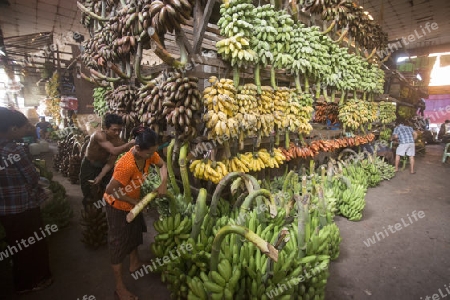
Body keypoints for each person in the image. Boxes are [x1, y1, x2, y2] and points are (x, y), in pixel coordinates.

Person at [103, 126, 168, 300]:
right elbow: (110, 191)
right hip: (117, 206)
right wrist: (133, 202)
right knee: (118, 245)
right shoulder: (125, 165)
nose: (152, 156)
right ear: (138, 149)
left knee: (134, 233)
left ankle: (135, 263)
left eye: (154, 152)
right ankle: (119, 288)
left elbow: (163, 165)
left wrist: (163, 183)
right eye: (149, 153)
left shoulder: (149, 154)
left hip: (133, 202)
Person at [0, 107, 53, 295]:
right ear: (13, 129)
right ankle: (37, 280)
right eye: (23, 127)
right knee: (33, 244)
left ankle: (21, 283)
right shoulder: (14, 150)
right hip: (24, 207)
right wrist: (43, 188)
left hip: (5, 210)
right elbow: (31, 176)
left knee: (17, 246)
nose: (27, 129)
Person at [79, 113, 135, 201]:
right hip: (89, 165)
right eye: (114, 130)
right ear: (105, 128)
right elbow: (113, 150)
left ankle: (102, 210)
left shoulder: (117, 142)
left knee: (105, 192)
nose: (117, 133)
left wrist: (100, 176)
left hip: (103, 166)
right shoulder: (99, 135)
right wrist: (129, 144)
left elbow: (110, 163)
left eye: (119, 130)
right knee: (88, 193)